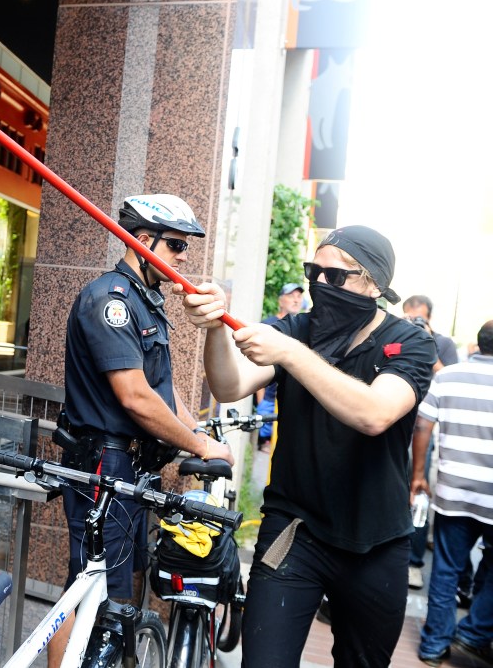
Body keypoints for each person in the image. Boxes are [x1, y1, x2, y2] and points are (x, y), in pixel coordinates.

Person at [176, 225, 436, 667]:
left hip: (378, 543)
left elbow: (375, 413)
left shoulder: (409, 342)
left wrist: (291, 353)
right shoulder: (297, 328)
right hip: (295, 532)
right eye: (313, 271)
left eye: (334, 277)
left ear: (372, 283)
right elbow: (229, 382)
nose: (318, 284)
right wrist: (216, 329)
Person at [49, 194, 235, 668]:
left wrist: (203, 433)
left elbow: (164, 394)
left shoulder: (146, 302)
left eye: (185, 247)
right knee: (88, 585)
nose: (182, 257)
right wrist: (195, 444)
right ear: (140, 241)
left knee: (123, 584)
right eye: (174, 245)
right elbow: (134, 396)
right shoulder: (110, 300)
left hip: (134, 466)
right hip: (103, 461)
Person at [414, 320, 493, 666]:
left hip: (453, 491)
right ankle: (474, 633)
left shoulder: (448, 376)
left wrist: (418, 474)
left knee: (447, 568)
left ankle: (434, 645)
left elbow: (423, 425)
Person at [401, 294, 460, 590]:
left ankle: (413, 563)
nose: (414, 323)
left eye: (420, 319)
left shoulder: (444, 345)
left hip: (423, 431)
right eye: (409, 318)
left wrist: (425, 342)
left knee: (418, 494)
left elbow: (448, 377)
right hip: (393, 424)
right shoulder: (395, 336)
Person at [253, 282, 304, 451]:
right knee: (267, 435)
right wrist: (261, 401)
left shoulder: (302, 328)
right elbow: (257, 364)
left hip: (290, 394)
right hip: (268, 394)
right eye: (291, 296)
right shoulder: (268, 326)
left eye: (299, 296)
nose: (296, 300)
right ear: (281, 301)